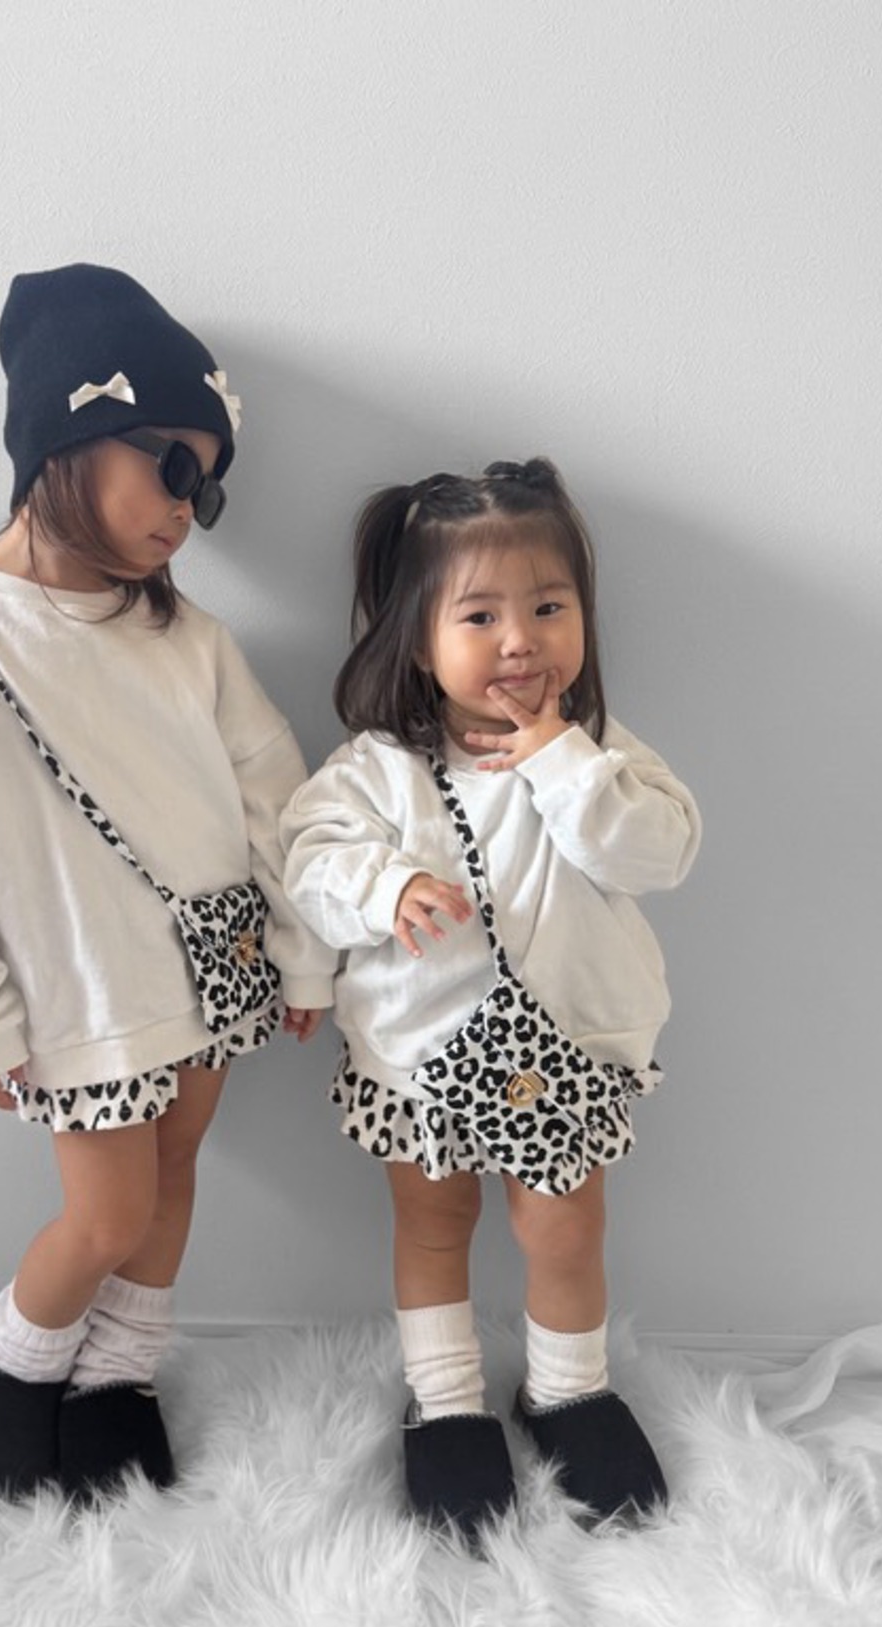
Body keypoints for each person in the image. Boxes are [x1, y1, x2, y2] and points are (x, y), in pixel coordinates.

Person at [0, 263, 334, 1505]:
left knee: (174, 1176)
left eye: (207, 486)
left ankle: (118, 1377)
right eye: (171, 465)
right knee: (107, 1215)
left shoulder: (186, 636)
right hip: (76, 981)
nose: (188, 507)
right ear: (65, 439)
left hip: (213, 953)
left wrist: (301, 949)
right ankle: (18, 1370)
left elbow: (273, 791)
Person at [280, 459, 700, 1542]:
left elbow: (658, 853)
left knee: (564, 1225)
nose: (520, 641)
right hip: (420, 1054)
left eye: (548, 608)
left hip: (566, 1052)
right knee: (433, 1223)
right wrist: (384, 886)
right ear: (419, 640)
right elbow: (309, 864)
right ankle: (446, 1398)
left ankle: (568, 1388)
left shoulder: (602, 755)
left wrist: (561, 762)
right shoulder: (378, 769)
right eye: (480, 616)